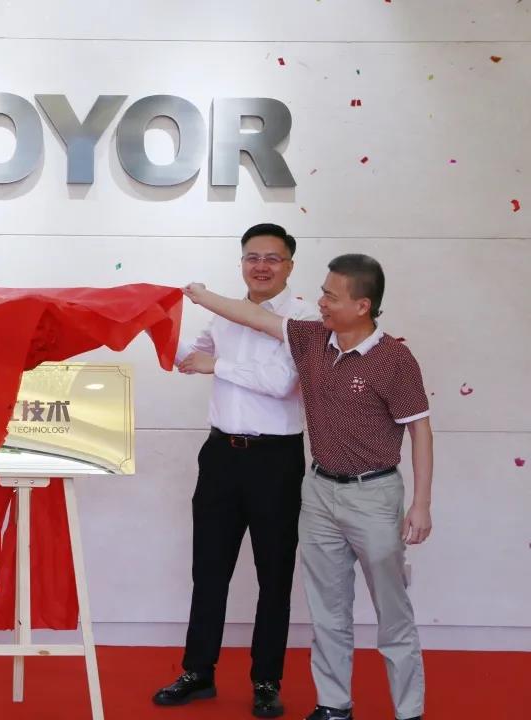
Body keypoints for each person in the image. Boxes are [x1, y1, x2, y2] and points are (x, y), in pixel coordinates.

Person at [182, 253, 432, 720]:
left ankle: (409, 711)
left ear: (362, 305)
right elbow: (253, 316)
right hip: (318, 492)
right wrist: (201, 295)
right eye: (321, 293)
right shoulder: (312, 339)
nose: (320, 303)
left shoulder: (394, 359)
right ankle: (334, 705)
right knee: (328, 610)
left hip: (374, 495)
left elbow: (420, 428)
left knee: (392, 613)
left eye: (330, 296)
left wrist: (421, 504)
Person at [154, 224, 314, 718]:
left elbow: (281, 383)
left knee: (274, 575)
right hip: (220, 456)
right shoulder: (222, 318)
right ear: (241, 262)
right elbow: (191, 358)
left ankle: (266, 680)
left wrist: (216, 367)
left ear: (289, 265)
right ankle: (198, 672)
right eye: (252, 257)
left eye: (272, 258)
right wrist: (150, 323)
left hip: (275, 461)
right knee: (209, 570)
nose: (261, 266)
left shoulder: (303, 317)